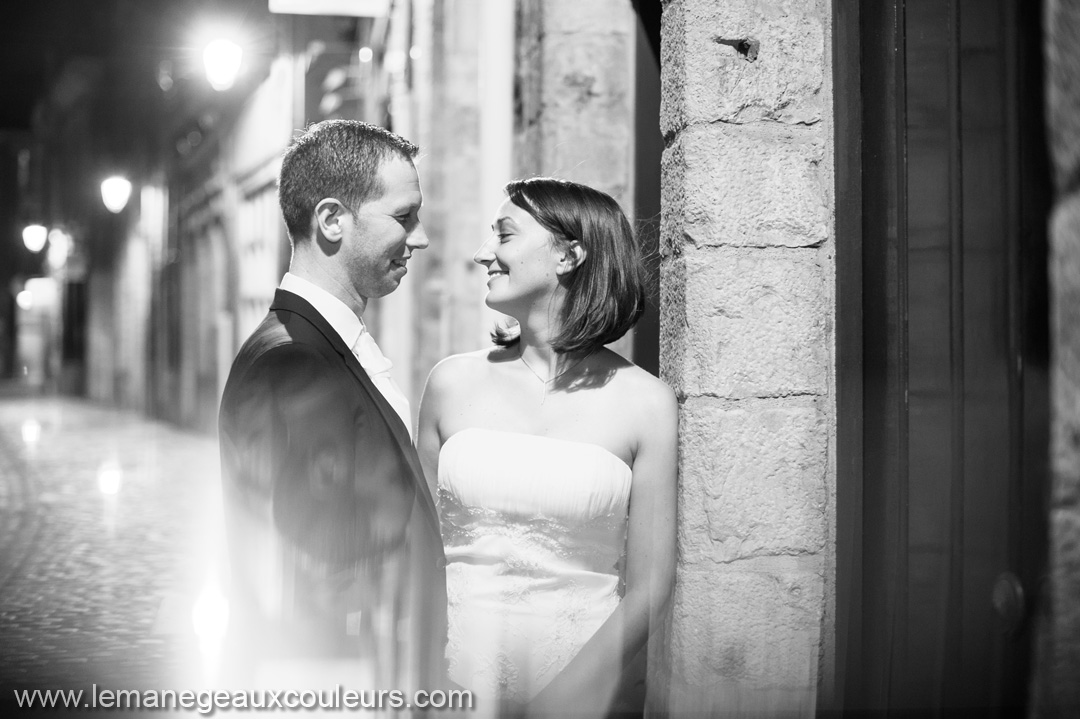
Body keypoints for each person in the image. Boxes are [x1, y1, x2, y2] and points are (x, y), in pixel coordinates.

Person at [417, 178, 677, 718]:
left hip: (582, 699)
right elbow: (417, 553)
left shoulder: (647, 404)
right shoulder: (450, 384)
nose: (482, 253)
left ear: (568, 254)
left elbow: (651, 584)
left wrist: (561, 701)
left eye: (504, 235)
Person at [218, 119, 446, 696]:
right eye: (403, 217)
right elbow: (310, 581)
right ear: (331, 220)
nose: (419, 239)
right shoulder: (294, 363)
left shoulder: (318, 345)